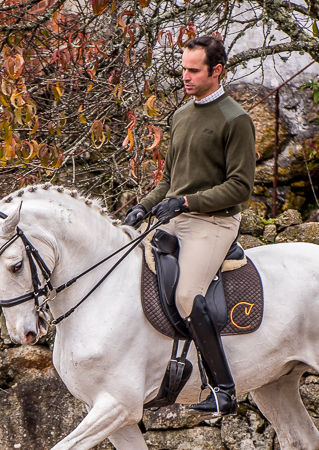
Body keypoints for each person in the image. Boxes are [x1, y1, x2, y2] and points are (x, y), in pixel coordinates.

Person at [124, 34, 256, 417]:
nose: (185, 76)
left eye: (193, 70)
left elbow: (239, 187)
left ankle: (223, 389)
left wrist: (186, 202)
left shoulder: (236, 119)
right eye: (183, 69)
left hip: (213, 224)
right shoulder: (181, 115)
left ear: (217, 71)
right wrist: (145, 206)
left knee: (186, 297)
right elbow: (170, 179)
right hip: (176, 216)